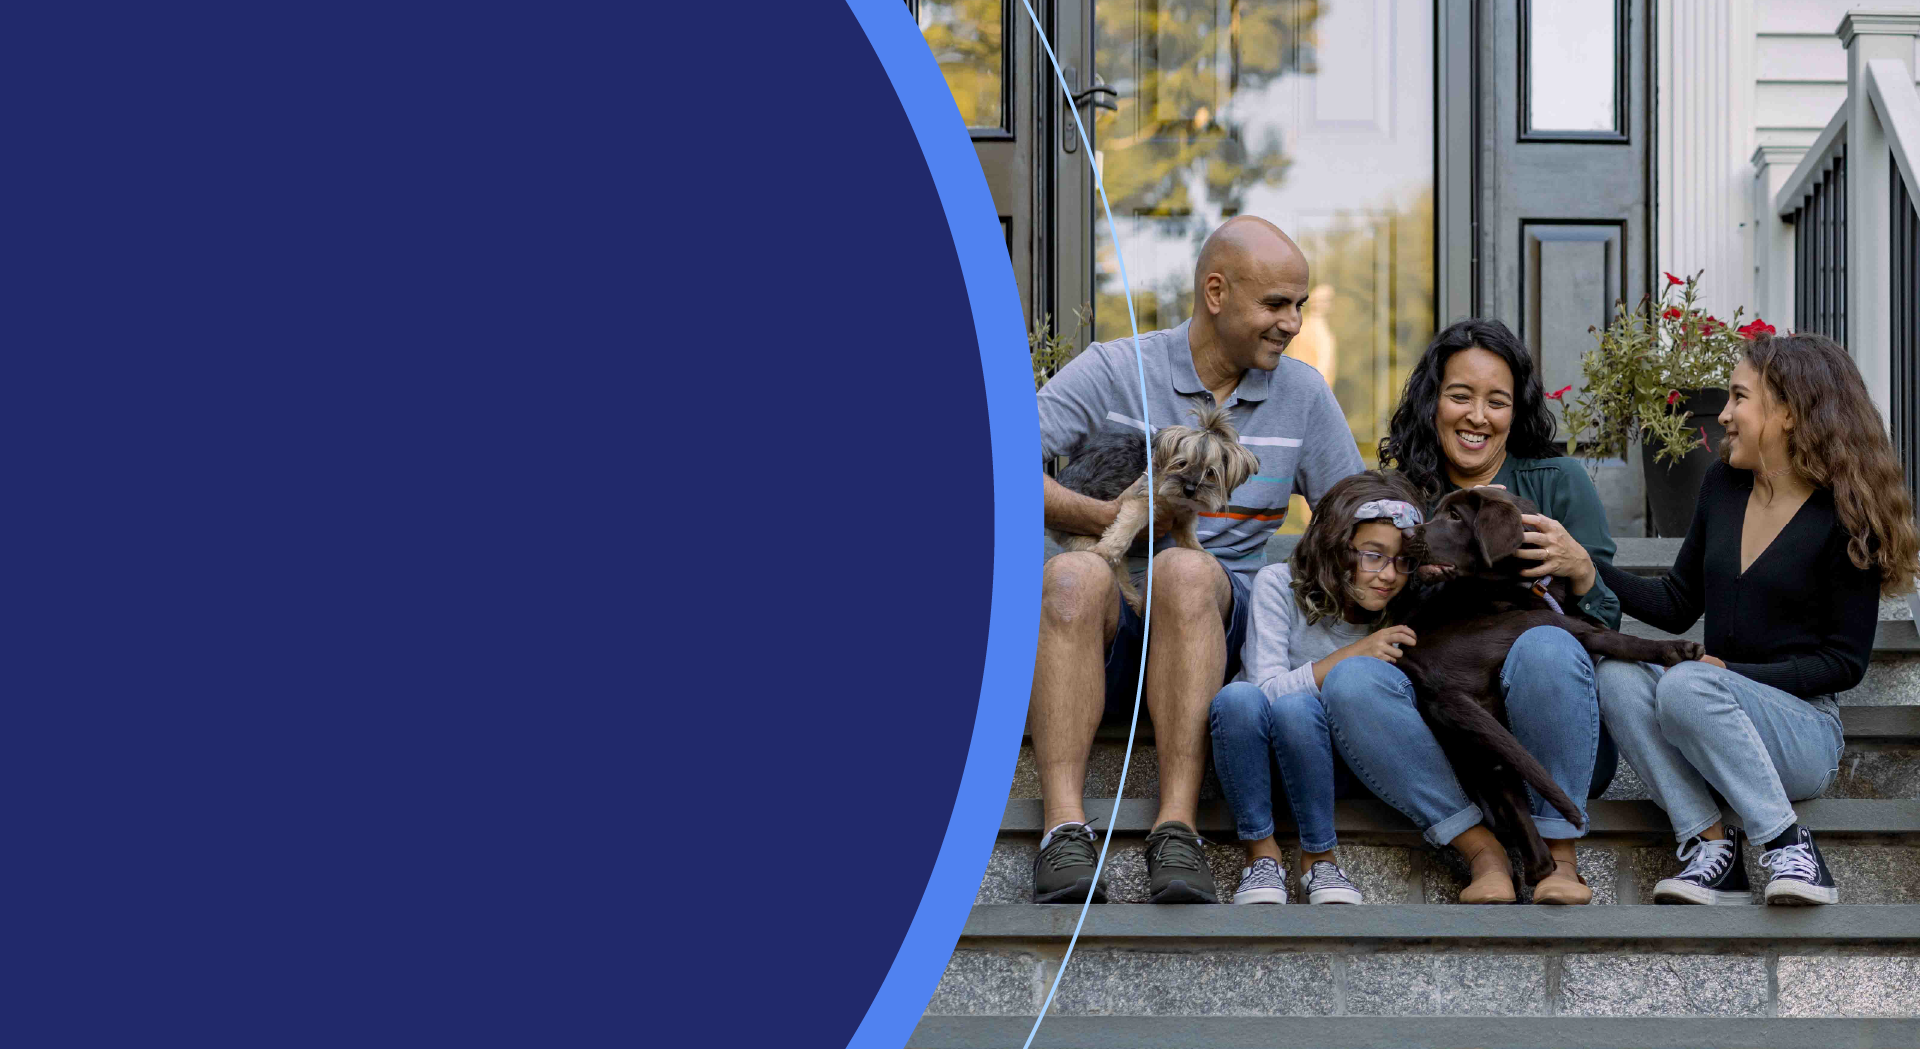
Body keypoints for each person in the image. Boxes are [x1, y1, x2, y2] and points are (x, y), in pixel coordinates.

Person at [1031, 216, 1363, 904]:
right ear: (1216, 292)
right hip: (1105, 634)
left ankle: (1176, 828)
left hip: (1211, 626)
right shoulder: (1119, 369)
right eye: (1277, 303)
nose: (1293, 322)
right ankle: (1063, 827)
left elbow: (1354, 524)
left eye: (1299, 304)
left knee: (1186, 571)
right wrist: (1110, 517)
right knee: (1071, 572)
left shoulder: (1302, 395)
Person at [1593, 332, 1919, 906]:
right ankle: (1711, 848)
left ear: (1789, 412)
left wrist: (1731, 677)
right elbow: (1676, 603)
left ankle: (1790, 845)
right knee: (1616, 676)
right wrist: (1585, 571)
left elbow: (1844, 664)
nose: (1723, 415)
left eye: (1739, 398)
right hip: (1709, 706)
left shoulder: (1845, 515)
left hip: (1802, 733)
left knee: (1691, 684)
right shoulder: (1722, 487)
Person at [1322, 318, 1619, 904]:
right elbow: (1362, 611)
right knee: (1353, 679)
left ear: (1517, 410)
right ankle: (1483, 854)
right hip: (1444, 737)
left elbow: (1605, 630)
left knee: (1548, 643)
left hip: (1553, 728)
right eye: (1460, 396)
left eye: (1497, 402)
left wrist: (1582, 569)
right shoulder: (1399, 496)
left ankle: (1559, 857)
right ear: (1433, 401)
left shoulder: (1558, 482)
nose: (1477, 417)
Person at [1209, 471, 1424, 905]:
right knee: (1237, 697)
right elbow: (1264, 689)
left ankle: (1319, 860)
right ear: (1336, 545)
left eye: (1403, 561)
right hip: (1255, 757)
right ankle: (1260, 856)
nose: (1388, 575)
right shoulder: (1278, 584)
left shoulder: (1405, 612)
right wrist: (1351, 655)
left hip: (1339, 765)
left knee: (1298, 711)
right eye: (1373, 555)